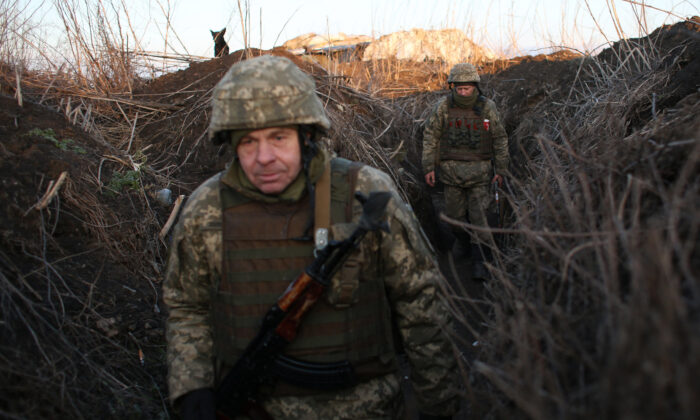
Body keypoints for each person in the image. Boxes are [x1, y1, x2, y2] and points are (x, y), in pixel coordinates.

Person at [163, 55, 460, 420]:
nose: (264, 157)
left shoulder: (364, 192)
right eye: (248, 142)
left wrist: (439, 405)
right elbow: (186, 305)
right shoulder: (206, 209)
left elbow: (422, 304)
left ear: (306, 135)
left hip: (367, 409)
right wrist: (191, 385)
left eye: (278, 137)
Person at [421, 63, 509, 280]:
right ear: (453, 87)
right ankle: (462, 242)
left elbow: (499, 138)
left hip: (480, 174)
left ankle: (480, 259)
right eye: (458, 89)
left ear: (475, 87)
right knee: (454, 217)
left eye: (466, 89)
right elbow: (430, 137)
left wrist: (501, 168)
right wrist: (428, 167)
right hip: (451, 175)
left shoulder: (487, 107)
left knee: (480, 218)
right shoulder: (443, 107)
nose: (462, 92)